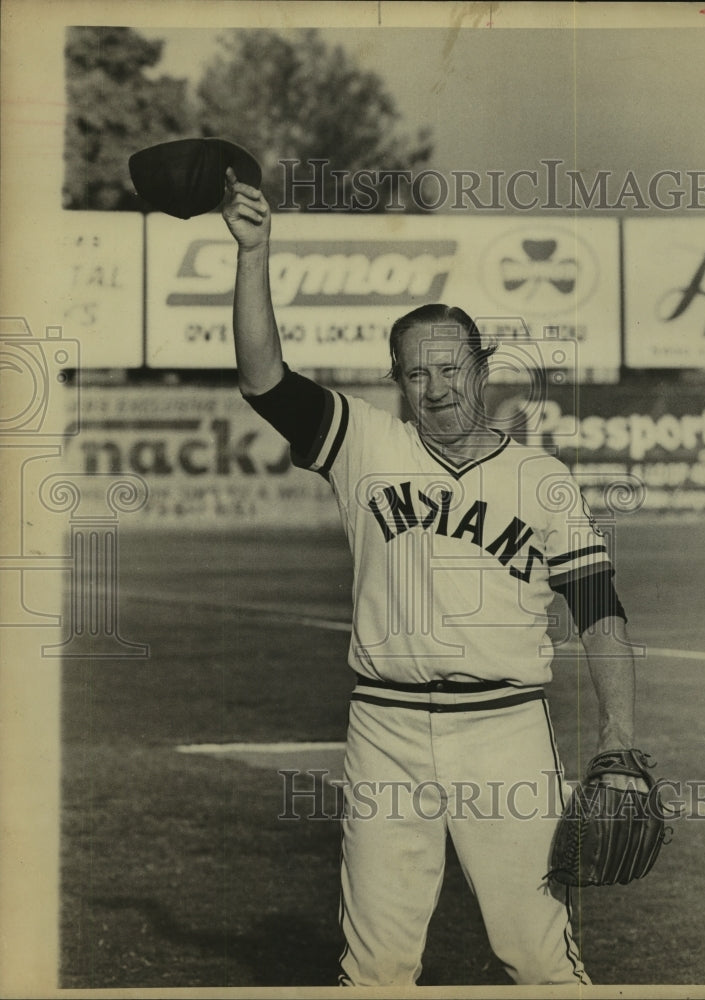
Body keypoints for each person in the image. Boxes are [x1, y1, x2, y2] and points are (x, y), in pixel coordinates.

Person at [221, 168, 646, 987]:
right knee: (376, 967)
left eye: (451, 369)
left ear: (482, 370)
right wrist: (254, 255)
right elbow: (264, 380)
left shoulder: (540, 477)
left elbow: (600, 610)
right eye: (417, 374)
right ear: (398, 383)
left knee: (537, 955)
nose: (437, 388)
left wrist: (621, 736)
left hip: (505, 733)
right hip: (384, 732)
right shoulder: (366, 446)